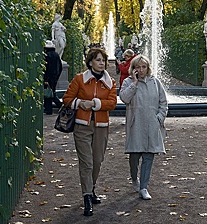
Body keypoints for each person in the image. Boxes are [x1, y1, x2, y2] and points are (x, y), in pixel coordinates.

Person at [62, 47, 117, 216]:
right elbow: (67, 99)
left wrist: (94, 103)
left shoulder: (110, 82)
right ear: (90, 62)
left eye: (103, 60)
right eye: (98, 60)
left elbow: (112, 103)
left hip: (101, 126)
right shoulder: (79, 79)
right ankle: (87, 196)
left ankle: (91, 189)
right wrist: (80, 103)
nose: (102, 63)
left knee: (97, 161)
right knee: (86, 162)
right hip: (82, 125)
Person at [119, 55, 168, 201]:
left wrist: (159, 117)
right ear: (133, 69)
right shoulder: (128, 82)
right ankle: (135, 179)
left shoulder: (155, 82)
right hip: (136, 125)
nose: (141, 70)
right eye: (138, 67)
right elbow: (124, 98)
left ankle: (144, 187)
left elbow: (164, 103)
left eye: (143, 67)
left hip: (152, 125)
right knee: (134, 157)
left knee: (149, 156)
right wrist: (134, 83)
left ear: (148, 68)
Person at [44, 40, 63, 114]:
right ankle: (49, 109)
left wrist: (46, 79)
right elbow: (60, 67)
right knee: (51, 92)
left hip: (48, 77)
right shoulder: (56, 55)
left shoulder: (47, 55)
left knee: (48, 93)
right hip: (55, 77)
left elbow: (47, 68)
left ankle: (57, 107)